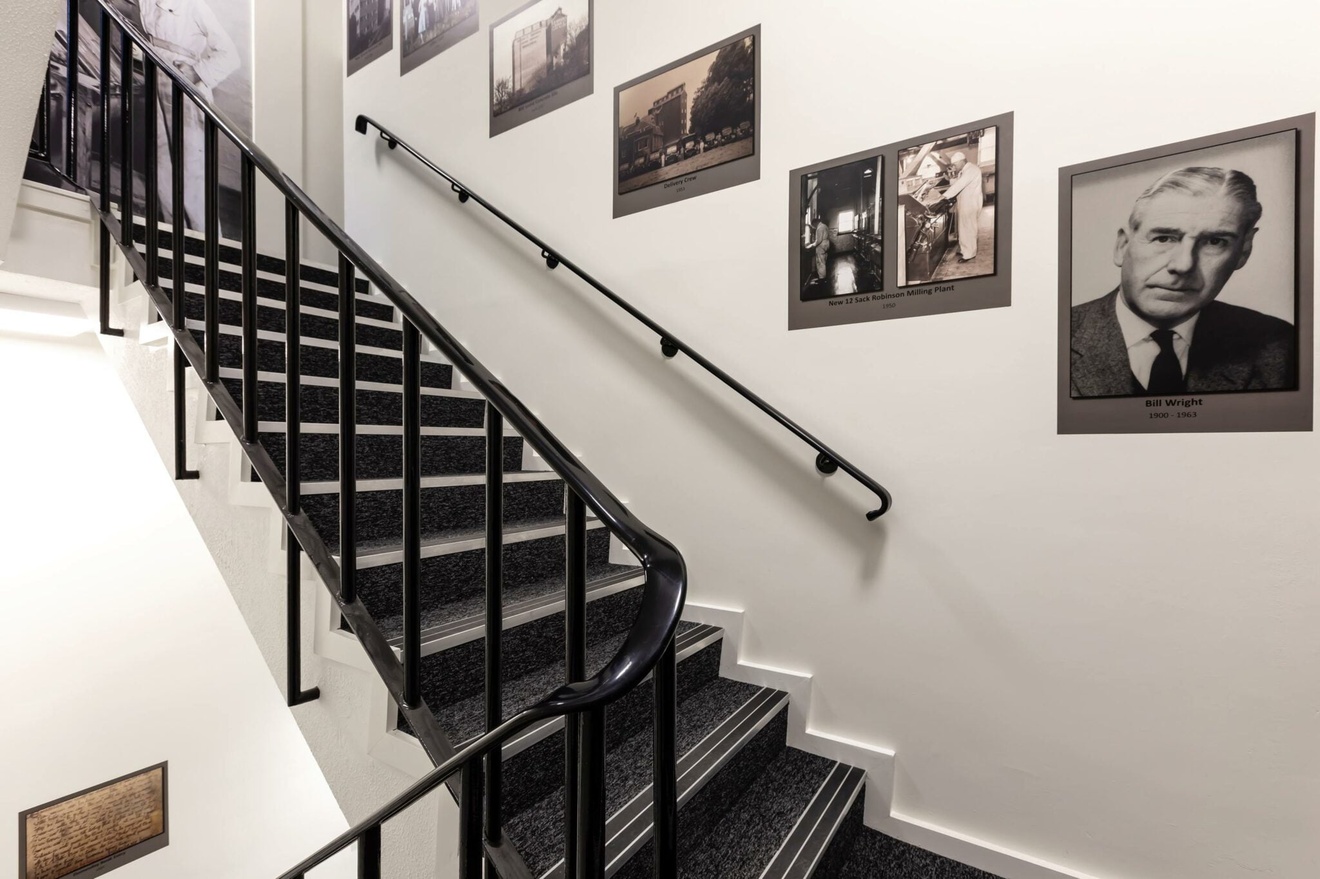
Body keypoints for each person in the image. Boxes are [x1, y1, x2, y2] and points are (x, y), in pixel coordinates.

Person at [1070, 166, 1295, 398]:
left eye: (1215, 242)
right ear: (1122, 246)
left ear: (1243, 252)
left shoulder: (1281, 347)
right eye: (1164, 238)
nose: (1183, 265)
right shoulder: (1052, 338)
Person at [139, 0, 239, 231]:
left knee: (192, 172)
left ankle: (206, 243)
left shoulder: (194, 6)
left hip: (184, 86)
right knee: (163, 163)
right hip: (155, 76)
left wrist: (197, 71)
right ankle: (175, 237)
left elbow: (230, 55)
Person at [933, 150, 983, 263]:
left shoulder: (971, 170)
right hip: (965, 203)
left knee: (969, 228)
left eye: (955, 165)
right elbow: (955, 183)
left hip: (970, 204)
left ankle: (969, 254)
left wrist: (943, 197)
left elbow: (959, 185)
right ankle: (965, 249)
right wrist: (951, 176)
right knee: (963, 228)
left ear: (961, 161)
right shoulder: (964, 171)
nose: (954, 167)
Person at [805, 215, 831, 286]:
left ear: (815, 223)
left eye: (813, 225)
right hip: (826, 244)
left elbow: (818, 240)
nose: (814, 227)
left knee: (820, 263)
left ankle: (822, 279)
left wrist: (812, 245)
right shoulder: (824, 225)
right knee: (824, 261)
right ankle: (823, 278)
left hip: (821, 246)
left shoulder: (819, 228)